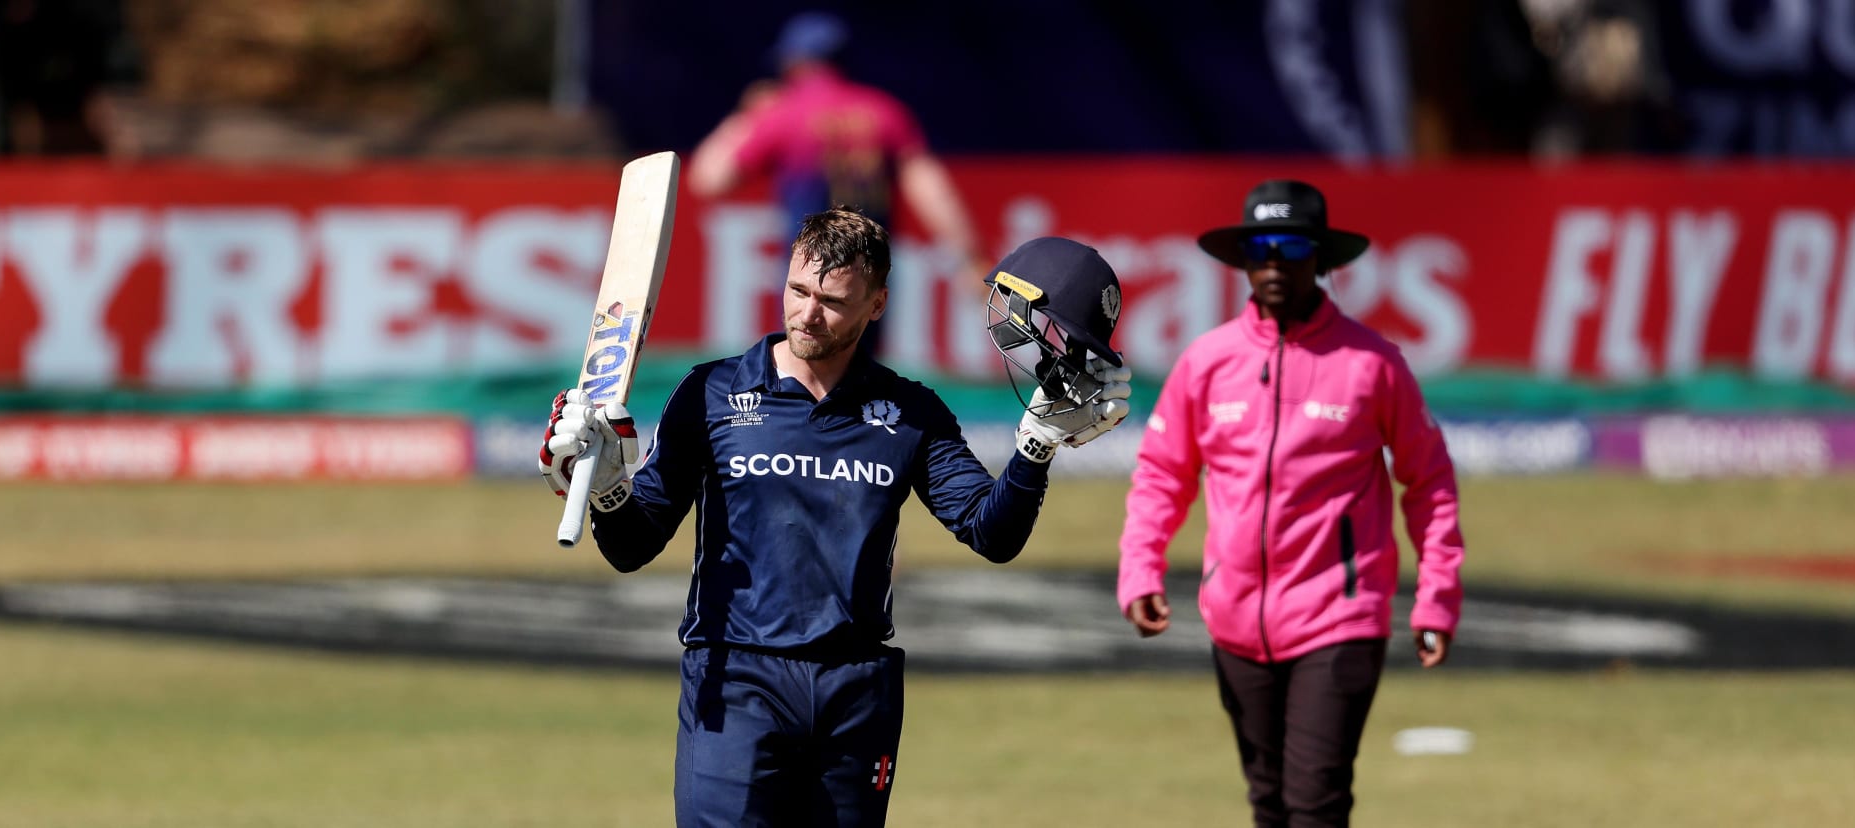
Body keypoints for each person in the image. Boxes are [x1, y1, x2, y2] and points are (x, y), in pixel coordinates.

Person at [538, 209, 1130, 827]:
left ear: (876, 305)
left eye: (832, 300)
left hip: (857, 692)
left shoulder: (911, 412)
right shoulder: (710, 393)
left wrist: (1034, 448)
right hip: (737, 682)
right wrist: (607, 487)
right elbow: (632, 545)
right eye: (797, 290)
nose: (807, 314)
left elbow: (993, 535)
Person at [1115, 180, 1466, 827]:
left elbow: (1429, 482)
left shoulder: (1373, 363)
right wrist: (1141, 569)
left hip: (1340, 618)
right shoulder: (1207, 362)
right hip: (1235, 624)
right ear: (1244, 260)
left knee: (1314, 806)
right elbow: (1162, 475)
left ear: (1322, 260)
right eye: (1260, 247)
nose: (1274, 261)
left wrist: (1436, 594)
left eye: (1292, 245)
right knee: (1269, 805)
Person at [687, 11, 984, 357]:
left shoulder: (783, 112)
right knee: (862, 376)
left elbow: (709, 178)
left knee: (801, 372)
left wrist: (746, 115)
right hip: (868, 277)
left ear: (794, 62)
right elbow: (934, 192)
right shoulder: (884, 112)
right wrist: (971, 258)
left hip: (807, 276)